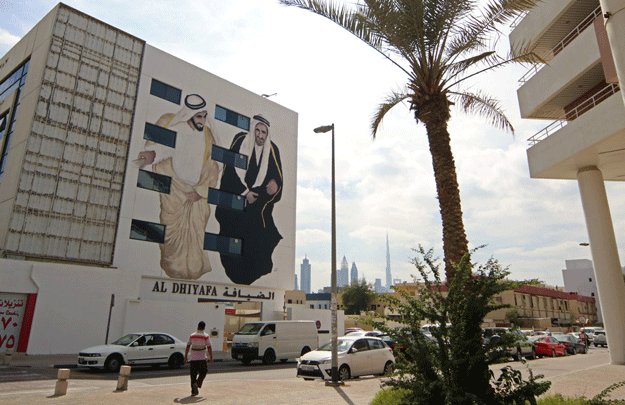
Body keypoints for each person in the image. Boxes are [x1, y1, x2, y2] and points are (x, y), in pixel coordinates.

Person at [137, 94, 219, 280]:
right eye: (199, 116)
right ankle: (174, 270)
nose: (203, 120)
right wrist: (151, 154)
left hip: (196, 197)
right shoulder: (177, 129)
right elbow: (164, 149)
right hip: (176, 195)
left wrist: (200, 192)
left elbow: (212, 166)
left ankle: (193, 271)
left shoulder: (207, 135)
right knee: (170, 235)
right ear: (189, 115)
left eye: (205, 116)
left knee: (195, 236)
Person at [215, 114, 283, 285]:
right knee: (234, 245)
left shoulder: (272, 150)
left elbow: (277, 177)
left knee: (264, 240)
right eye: (258, 131)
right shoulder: (240, 140)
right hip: (235, 205)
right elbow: (229, 170)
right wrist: (244, 192)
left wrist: (275, 184)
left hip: (257, 208)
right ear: (253, 130)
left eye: (264, 133)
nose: (260, 136)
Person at [184, 321, 213, 396]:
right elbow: (209, 347)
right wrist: (211, 358)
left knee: (193, 375)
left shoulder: (192, 335)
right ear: (204, 328)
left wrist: (185, 356)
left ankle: (193, 392)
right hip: (202, 359)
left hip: (193, 359)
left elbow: (188, 346)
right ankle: (197, 384)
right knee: (204, 372)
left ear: (197, 327)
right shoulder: (206, 336)